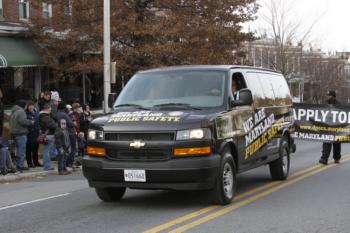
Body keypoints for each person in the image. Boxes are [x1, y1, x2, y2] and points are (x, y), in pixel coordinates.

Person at [9, 100, 34, 171]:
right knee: (21, 150)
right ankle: (20, 165)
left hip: (14, 133)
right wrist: (31, 122)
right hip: (21, 133)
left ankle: (17, 165)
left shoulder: (14, 111)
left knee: (17, 150)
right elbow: (23, 121)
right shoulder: (21, 111)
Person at [319, 90, 341, 165]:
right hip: (327, 126)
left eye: (330, 96)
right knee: (326, 143)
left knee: (336, 144)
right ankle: (324, 159)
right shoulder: (325, 104)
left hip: (336, 127)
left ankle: (337, 158)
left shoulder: (338, 105)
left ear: (334, 97)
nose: (328, 97)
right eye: (327, 96)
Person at [56, 102, 77, 169]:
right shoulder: (64, 114)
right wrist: (74, 124)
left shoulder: (56, 114)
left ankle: (64, 165)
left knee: (64, 149)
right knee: (72, 148)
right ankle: (69, 163)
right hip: (69, 132)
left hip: (60, 132)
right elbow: (70, 123)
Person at [39, 103, 56, 171]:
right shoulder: (45, 116)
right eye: (50, 108)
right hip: (48, 134)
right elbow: (51, 125)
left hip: (46, 134)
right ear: (47, 108)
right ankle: (47, 166)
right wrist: (55, 124)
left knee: (47, 150)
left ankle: (47, 165)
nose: (51, 110)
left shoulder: (42, 115)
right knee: (47, 151)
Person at [25, 101, 41, 167]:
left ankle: (36, 162)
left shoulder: (37, 113)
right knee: (29, 149)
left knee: (36, 149)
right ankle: (29, 163)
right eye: (30, 105)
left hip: (36, 133)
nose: (31, 107)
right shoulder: (26, 113)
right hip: (29, 133)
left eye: (32, 105)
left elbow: (39, 121)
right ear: (27, 107)